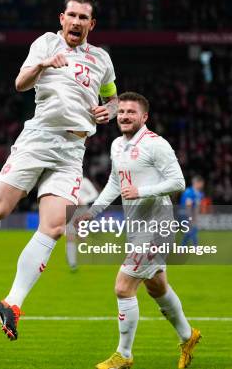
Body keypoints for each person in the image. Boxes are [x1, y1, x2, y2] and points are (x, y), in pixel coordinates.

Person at [0, 0, 118, 340]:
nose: (77, 22)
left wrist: (107, 111)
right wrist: (45, 64)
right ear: (61, 18)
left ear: (91, 24)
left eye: (84, 17)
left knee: (53, 227)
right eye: (72, 15)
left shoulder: (102, 60)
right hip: (37, 141)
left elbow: (111, 100)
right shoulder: (46, 44)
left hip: (72, 150)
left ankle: (12, 303)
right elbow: (20, 84)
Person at [75, 92, 201, 369]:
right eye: (121, 112)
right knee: (157, 287)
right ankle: (188, 336)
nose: (124, 116)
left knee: (123, 287)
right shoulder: (117, 145)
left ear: (144, 117)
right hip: (137, 226)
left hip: (158, 225)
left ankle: (124, 355)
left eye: (131, 112)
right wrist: (92, 212)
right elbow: (114, 183)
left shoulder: (156, 144)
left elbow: (178, 181)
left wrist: (142, 190)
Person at [66, 176, 100, 271]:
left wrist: (83, 201)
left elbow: (94, 194)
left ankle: (96, 252)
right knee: (70, 236)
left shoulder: (84, 181)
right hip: (70, 209)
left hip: (82, 211)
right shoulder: (68, 180)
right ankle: (72, 263)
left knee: (82, 237)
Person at [180, 176, 205, 246]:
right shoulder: (189, 192)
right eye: (201, 183)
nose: (202, 185)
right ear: (197, 183)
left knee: (191, 231)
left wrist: (196, 216)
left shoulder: (200, 194)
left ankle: (183, 248)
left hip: (192, 214)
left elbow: (197, 207)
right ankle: (195, 247)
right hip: (185, 214)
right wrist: (190, 218)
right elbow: (188, 206)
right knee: (191, 230)